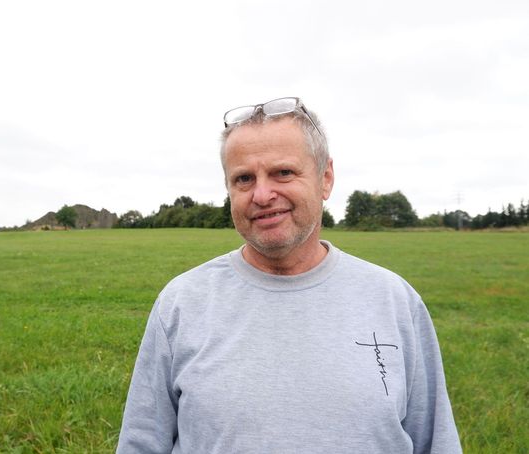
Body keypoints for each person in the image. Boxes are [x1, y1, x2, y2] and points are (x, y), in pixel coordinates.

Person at [116, 97, 461, 453]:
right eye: (244, 179)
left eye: (283, 172)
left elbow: (435, 442)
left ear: (325, 179)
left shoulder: (394, 300)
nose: (262, 195)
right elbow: (141, 443)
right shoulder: (182, 303)